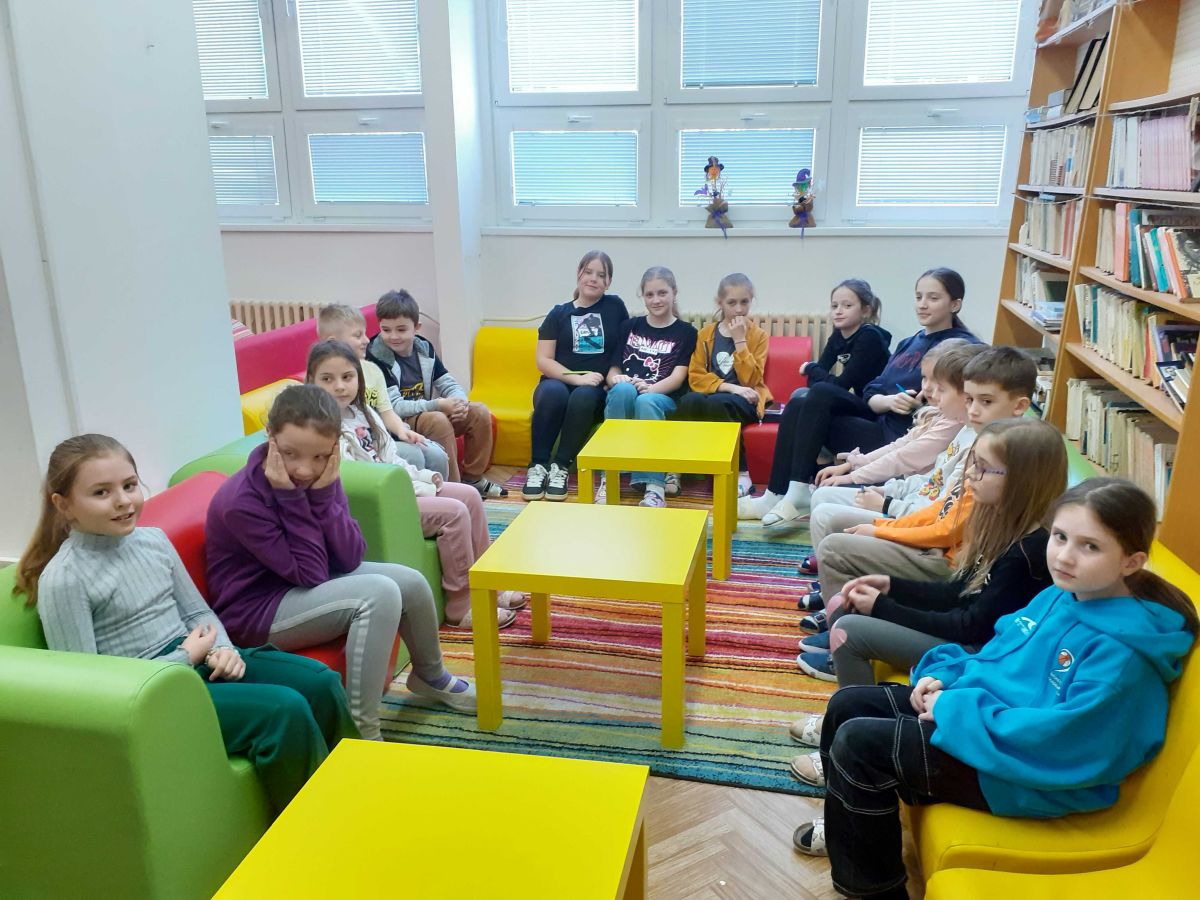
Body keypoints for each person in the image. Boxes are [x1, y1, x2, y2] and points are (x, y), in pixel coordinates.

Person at [792, 478, 1197, 900]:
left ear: (1131, 562)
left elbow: (1061, 739)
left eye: (1090, 546)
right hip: (989, 732)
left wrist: (951, 709)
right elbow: (997, 655)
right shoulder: (1063, 597)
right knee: (848, 703)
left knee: (860, 745)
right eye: (1060, 537)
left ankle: (872, 891)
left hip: (1030, 774)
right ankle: (847, 830)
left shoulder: (1122, 655)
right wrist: (948, 676)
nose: (1064, 556)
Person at [15, 434, 357, 813]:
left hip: (202, 658)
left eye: (129, 485)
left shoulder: (154, 541)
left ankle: (358, 788)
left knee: (321, 682)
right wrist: (184, 658)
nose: (123, 500)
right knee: (283, 711)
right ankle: (317, 821)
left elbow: (197, 612)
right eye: (101, 492)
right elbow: (89, 688)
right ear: (63, 505)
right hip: (153, 694)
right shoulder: (65, 578)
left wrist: (223, 648)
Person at [204, 384, 476, 742]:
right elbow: (312, 573)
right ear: (270, 436)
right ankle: (362, 730)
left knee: (410, 582)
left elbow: (350, 556)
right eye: (290, 453)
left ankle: (430, 675)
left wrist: (326, 493)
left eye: (319, 456)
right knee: (378, 594)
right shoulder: (242, 501)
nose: (304, 469)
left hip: (299, 584)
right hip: (256, 612)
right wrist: (292, 498)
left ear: (335, 446)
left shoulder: (321, 475)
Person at [789, 417, 1063, 733]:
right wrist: (891, 587)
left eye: (983, 468)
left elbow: (971, 628)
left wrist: (883, 607)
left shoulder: (1026, 552)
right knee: (843, 605)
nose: (970, 475)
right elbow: (958, 590)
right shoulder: (998, 524)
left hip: (978, 653)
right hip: (966, 635)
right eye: (973, 463)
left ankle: (852, 727)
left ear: (1022, 481)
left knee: (847, 631)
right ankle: (852, 718)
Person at [800, 346, 1038, 619]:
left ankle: (842, 616)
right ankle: (839, 602)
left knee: (834, 541)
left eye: (985, 401)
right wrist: (883, 517)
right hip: (931, 536)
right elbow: (939, 503)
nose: (972, 410)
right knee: (832, 519)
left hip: (946, 559)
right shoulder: (973, 435)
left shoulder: (997, 457)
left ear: (1019, 406)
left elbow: (946, 527)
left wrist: (884, 519)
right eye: (970, 399)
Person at [307, 341, 527, 630]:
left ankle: (490, 586)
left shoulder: (365, 413)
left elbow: (392, 459)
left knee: (470, 496)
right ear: (311, 381)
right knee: (454, 513)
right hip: (382, 503)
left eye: (347, 377)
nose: (339, 386)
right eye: (327, 379)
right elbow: (357, 478)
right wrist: (411, 487)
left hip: (403, 489)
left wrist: (423, 477)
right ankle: (460, 605)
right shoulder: (320, 427)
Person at [738, 268, 979, 527]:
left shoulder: (959, 347)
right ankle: (778, 493)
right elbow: (872, 390)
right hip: (879, 418)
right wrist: (887, 401)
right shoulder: (910, 342)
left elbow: (950, 407)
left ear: (955, 304)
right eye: (918, 297)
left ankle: (796, 493)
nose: (922, 304)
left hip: (904, 432)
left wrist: (916, 404)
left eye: (933, 298)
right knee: (799, 399)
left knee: (816, 394)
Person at [365, 290, 506, 497]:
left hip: (423, 412)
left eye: (401, 329)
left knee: (479, 412)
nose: (393, 336)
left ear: (417, 327)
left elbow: (447, 382)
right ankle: (454, 491)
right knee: (438, 420)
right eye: (386, 330)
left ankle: (473, 479)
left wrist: (460, 403)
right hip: (396, 422)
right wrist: (438, 404)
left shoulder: (424, 348)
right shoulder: (375, 355)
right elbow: (394, 407)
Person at [523, 250, 629, 501]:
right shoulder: (558, 313)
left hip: (594, 388)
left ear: (608, 282)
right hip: (558, 381)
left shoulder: (615, 306)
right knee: (553, 393)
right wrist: (576, 378)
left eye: (601, 275)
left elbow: (623, 347)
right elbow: (543, 360)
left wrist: (611, 375)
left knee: (583, 396)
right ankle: (538, 466)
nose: (593, 278)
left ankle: (560, 466)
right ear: (579, 274)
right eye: (588, 272)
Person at [600, 265, 698, 507]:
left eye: (662, 293)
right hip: (628, 390)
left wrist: (649, 388)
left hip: (662, 398)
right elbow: (613, 370)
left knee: (645, 400)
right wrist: (616, 379)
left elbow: (678, 377)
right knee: (622, 390)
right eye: (650, 294)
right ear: (642, 296)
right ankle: (609, 477)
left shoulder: (686, 332)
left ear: (674, 292)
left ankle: (654, 487)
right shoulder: (629, 327)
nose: (656, 300)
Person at [316, 303, 448, 478]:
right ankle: (417, 493)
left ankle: (442, 492)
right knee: (413, 455)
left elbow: (387, 411)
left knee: (437, 455)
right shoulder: (324, 378)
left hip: (386, 438)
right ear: (333, 342)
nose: (367, 340)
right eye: (358, 335)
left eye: (365, 333)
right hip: (365, 447)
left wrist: (402, 431)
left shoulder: (373, 371)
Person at [675, 272, 771, 497]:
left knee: (719, 403)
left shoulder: (758, 336)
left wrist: (740, 341)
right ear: (720, 303)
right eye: (732, 303)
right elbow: (696, 376)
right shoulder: (706, 334)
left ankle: (741, 472)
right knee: (688, 400)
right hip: (719, 394)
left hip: (747, 399)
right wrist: (730, 387)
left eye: (744, 302)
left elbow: (751, 381)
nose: (739, 309)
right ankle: (677, 469)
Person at [800, 279, 891, 395]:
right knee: (801, 393)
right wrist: (814, 371)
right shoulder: (838, 335)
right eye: (834, 306)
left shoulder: (870, 337)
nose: (838, 311)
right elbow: (815, 378)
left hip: (878, 400)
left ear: (865, 311)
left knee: (812, 393)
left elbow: (841, 385)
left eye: (847, 306)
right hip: (860, 397)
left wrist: (810, 368)